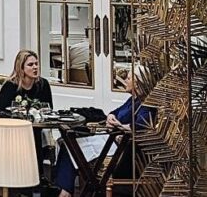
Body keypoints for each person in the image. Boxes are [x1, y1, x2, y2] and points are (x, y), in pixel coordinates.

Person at [55, 68, 155, 197]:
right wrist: (110, 117)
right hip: (109, 139)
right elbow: (114, 112)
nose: (125, 81)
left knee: (71, 146)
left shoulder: (145, 104)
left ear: (138, 83)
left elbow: (141, 126)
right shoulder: (132, 100)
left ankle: (66, 192)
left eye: (129, 79)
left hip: (118, 147)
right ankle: (66, 190)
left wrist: (120, 126)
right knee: (67, 143)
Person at [0, 49, 54, 113]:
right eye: (30, 64)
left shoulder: (43, 84)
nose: (35, 67)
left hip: (38, 121)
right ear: (21, 68)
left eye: (36, 64)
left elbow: (49, 109)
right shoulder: (10, 86)